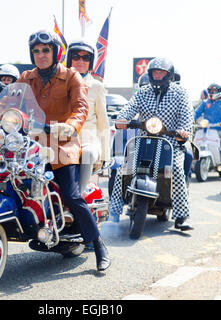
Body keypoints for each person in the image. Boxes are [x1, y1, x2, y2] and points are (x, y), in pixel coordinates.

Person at [16, 30, 111, 271]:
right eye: (36, 51)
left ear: (56, 52)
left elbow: (80, 109)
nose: (41, 55)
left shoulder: (72, 77)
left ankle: (98, 243)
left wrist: (69, 127)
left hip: (62, 144)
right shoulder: (26, 78)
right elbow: (8, 103)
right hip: (31, 145)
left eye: (45, 50)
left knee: (71, 194)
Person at [112, 57, 194, 231]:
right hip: (143, 140)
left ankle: (181, 217)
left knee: (177, 170)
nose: (157, 75)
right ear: (149, 74)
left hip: (170, 141)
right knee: (123, 167)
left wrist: (184, 131)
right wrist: (122, 118)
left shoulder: (180, 93)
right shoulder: (143, 92)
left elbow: (187, 116)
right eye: (154, 72)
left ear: (169, 75)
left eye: (161, 72)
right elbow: (130, 107)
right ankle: (115, 210)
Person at [66, 39, 110, 194]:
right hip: (61, 139)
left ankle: (78, 198)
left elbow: (103, 122)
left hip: (88, 141)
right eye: (76, 57)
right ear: (69, 59)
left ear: (91, 62)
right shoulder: (58, 83)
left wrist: (105, 155)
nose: (80, 61)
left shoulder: (96, 87)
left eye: (85, 58)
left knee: (87, 154)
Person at [194, 83, 221, 168]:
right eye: (210, 91)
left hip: (220, 129)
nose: (212, 92)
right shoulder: (205, 103)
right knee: (194, 144)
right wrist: (190, 119)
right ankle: (191, 165)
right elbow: (196, 113)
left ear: (220, 91)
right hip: (205, 129)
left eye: (214, 91)